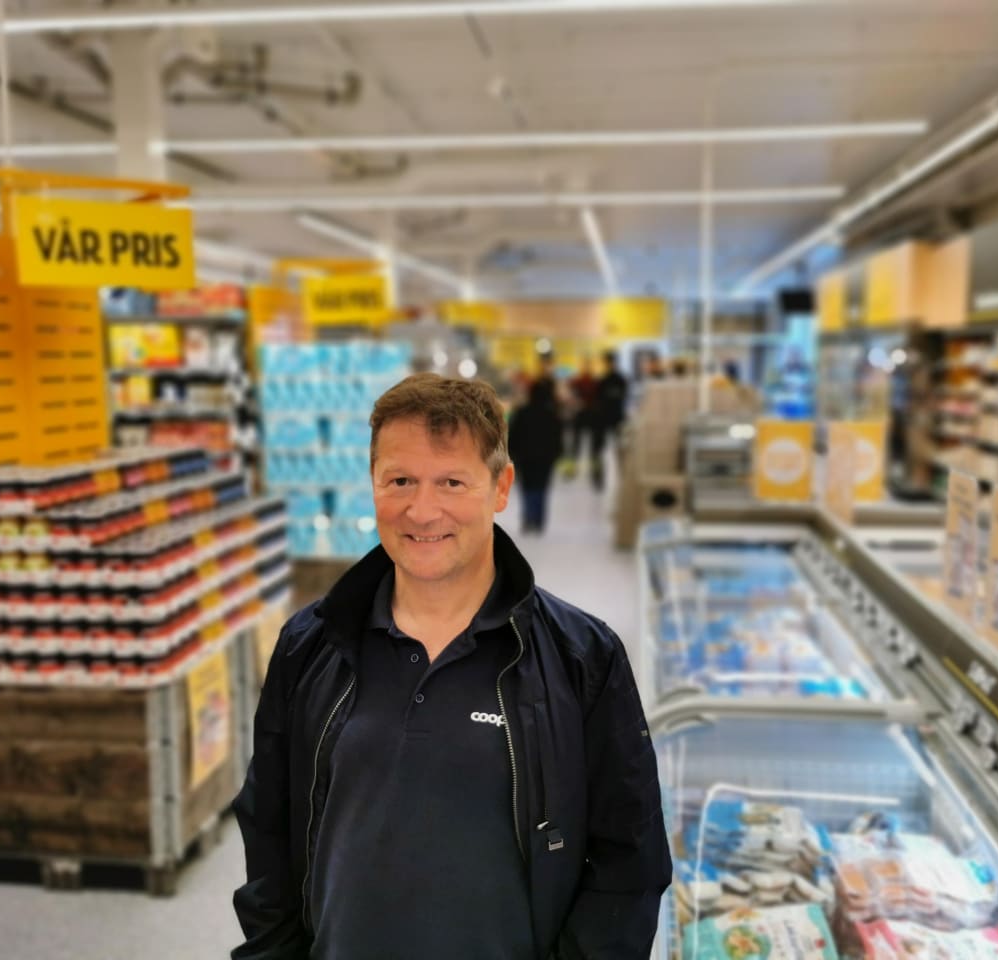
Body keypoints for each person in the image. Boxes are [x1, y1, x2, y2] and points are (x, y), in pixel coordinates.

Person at [232, 373, 671, 960]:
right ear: (373, 483)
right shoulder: (309, 645)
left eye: (451, 482)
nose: (422, 510)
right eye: (401, 481)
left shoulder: (582, 658)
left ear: (501, 486)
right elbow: (267, 828)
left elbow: (628, 860)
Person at [507, 378, 564, 534]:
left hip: (525, 457)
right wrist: (557, 453)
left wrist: (512, 452)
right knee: (541, 487)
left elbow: (513, 434)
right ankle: (538, 519)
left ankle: (528, 517)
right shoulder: (552, 415)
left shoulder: (522, 412)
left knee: (527, 487)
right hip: (545, 457)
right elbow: (557, 437)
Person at [591, 349, 629, 491]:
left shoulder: (620, 380)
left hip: (617, 418)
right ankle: (598, 477)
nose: (610, 364)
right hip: (604, 419)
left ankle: (624, 476)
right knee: (598, 449)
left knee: (621, 449)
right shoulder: (602, 381)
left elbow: (622, 397)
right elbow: (598, 400)